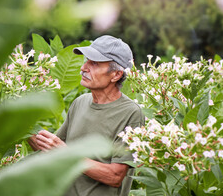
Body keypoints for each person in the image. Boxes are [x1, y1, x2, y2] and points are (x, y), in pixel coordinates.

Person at [28, 35, 144, 196]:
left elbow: (115, 176)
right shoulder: (80, 102)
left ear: (116, 75)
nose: (83, 68)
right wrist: (22, 129)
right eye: (86, 60)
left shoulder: (131, 113)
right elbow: (51, 151)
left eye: (94, 63)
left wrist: (66, 153)